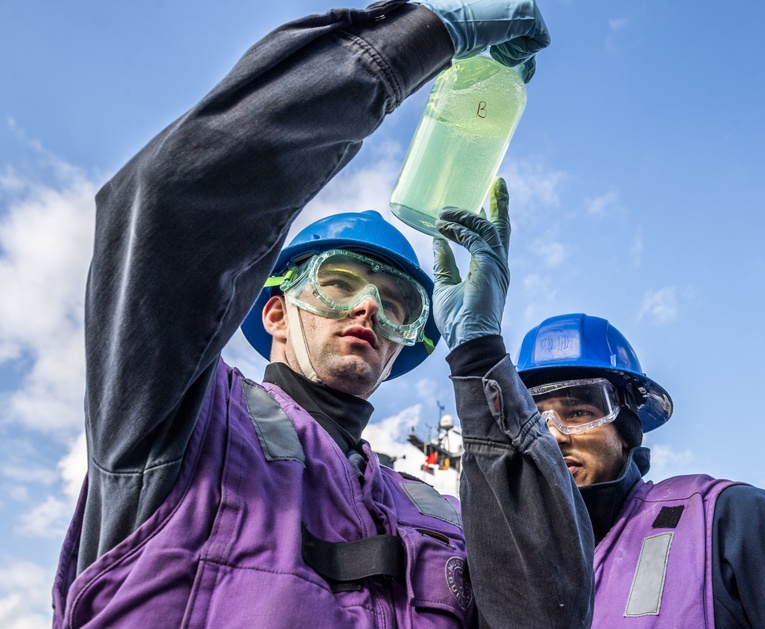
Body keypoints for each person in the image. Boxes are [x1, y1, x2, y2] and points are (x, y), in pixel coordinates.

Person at [51, 2, 594, 627]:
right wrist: (414, 38)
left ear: (401, 348)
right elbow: (175, 205)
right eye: (339, 283)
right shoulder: (179, 421)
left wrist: (480, 356)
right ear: (276, 311)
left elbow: (546, 613)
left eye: (397, 304)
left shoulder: (437, 512)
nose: (368, 306)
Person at [515, 313, 765, 628]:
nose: (554, 436)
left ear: (627, 429)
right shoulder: (501, 564)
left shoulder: (722, 521)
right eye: (534, 420)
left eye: (581, 411)